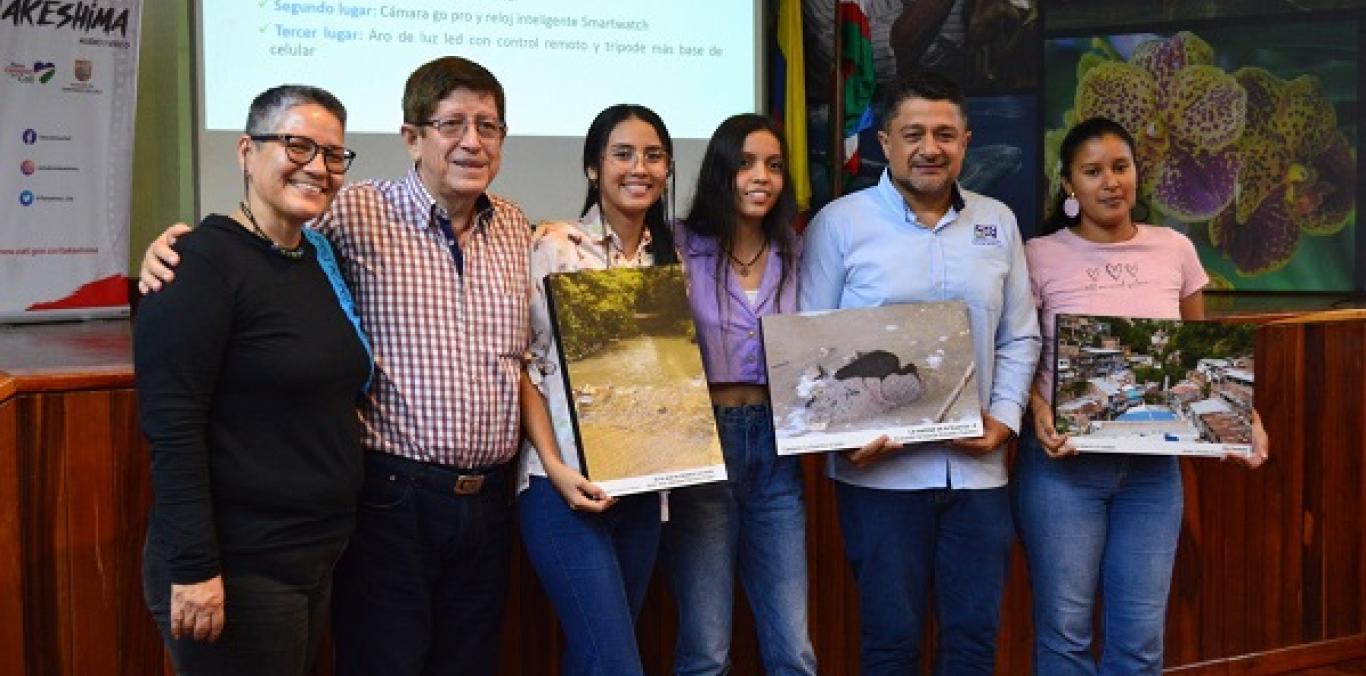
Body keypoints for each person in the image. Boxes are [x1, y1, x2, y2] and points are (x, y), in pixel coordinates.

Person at [138, 57, 533, 676]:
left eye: (488, 126)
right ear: (412, 137)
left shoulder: (515, 227)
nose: (472, 141)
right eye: (452, 122)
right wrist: (167, 249)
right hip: (390, 500)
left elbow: (276, 244)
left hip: (484, 504)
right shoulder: (354, 213)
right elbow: (253, 233)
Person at [797, 71, 1040, 675]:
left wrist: (1004, 422)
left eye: (945, 134)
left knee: (973, 641)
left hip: (979, 475)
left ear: (966, 141)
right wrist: (841, 439)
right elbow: (812, 346)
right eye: (914, 133)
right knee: (890, 644)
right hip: (881, 478)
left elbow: (1021, 335)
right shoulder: (839, 224)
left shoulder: (998, 223)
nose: (930, 147)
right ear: (885, 141)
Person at [1017, 116, 1269, 676]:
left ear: (1137, 172)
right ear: (1068, 185)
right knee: (1064, 635)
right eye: (1093, 171)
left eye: (1121, 167)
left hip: (1153, 474)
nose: (1111, 182)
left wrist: (1243, 415)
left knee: (1140, 642)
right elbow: (1018, 356)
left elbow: (1198, 353)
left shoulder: (1174, 248)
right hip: (1064, 470)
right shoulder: (1036, 254)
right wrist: (1037, 412)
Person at [135, 84, 370, 675]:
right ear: (246, 151)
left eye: (333, 154)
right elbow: (172, 425)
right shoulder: (198, 265)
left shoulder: (317, 256)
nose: (318, 167)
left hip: (313, 554)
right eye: (297, 146)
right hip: (237, 567)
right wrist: (194, 568)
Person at [517, 103, 678, 675]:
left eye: (654, 155)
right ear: (593, 168)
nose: (640, 167)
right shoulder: (556, 245)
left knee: (594, 657)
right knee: (616, 663)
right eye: (623, 154)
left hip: (644, 486)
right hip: (562, 488)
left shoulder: (671, 260)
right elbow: (525, 365)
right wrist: (555, 468)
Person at [664, 113, 817, 675]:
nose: (762, 177)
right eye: (747, 163)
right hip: (704, 445)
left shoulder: (796, 250)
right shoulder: (679, 245)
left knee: (794, 652)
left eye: (775, 166)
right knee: (707, 651)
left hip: (778, 444)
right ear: (721, 171)